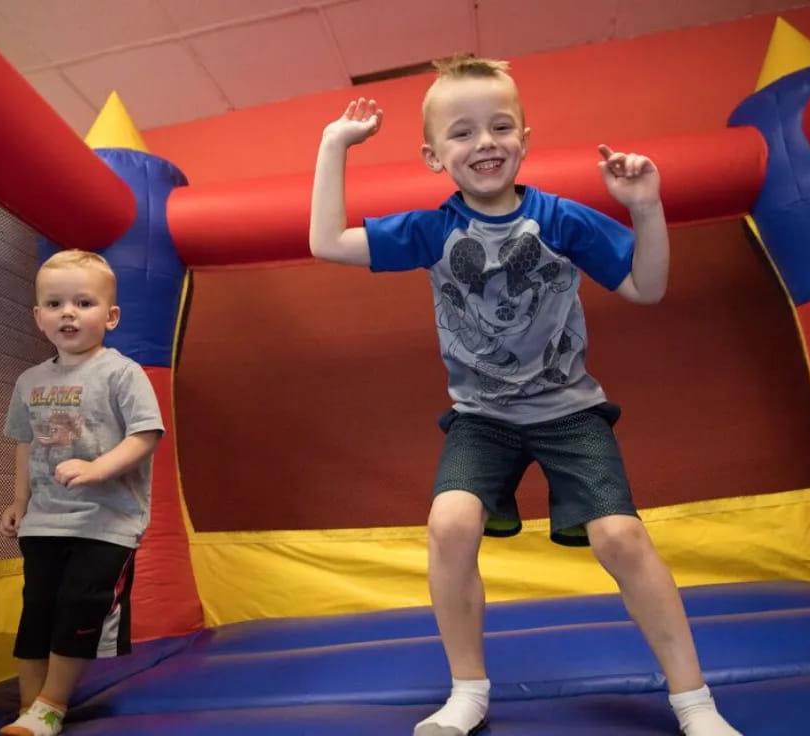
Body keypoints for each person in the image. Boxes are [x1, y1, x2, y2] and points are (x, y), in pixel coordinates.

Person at [309, 56, 742, 736]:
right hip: (482, 419)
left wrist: (646, 209)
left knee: (621, 536)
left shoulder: (561, 220)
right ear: (433, 157)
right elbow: (326, 241)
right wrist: (334, 145)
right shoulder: (432, 230)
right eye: (462, 133)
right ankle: (467, 692)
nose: (484, 142)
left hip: (569, 410)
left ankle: (695, 703)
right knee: (450, 525)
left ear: (524, 139)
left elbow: (646, 287)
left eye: (500, 126)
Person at [0, 249, 164, 736]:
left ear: (110, 316)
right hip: (44, 521)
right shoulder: (30, 381)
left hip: (105, 523)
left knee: (78, 608)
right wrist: (20, 503)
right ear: (38, 317)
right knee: (38, 611)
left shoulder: (121, 373)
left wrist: (97, 469)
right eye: (54, 303)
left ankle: (51, 705)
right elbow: (26, 446)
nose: (68, 312)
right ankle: (31, 708)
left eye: (83, 302)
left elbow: (146, 435)